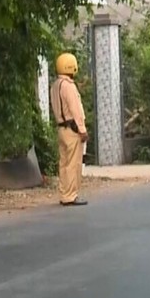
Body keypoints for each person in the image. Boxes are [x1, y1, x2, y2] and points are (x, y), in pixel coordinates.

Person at [50, 52, 89, 207]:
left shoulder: (55, 85)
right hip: (72, 129)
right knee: (73, 164)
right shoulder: (69, 86)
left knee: (64, 163)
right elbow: (76, 110)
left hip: (61, 128)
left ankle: (64, 193)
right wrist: (82, 129)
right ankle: (71, 195)